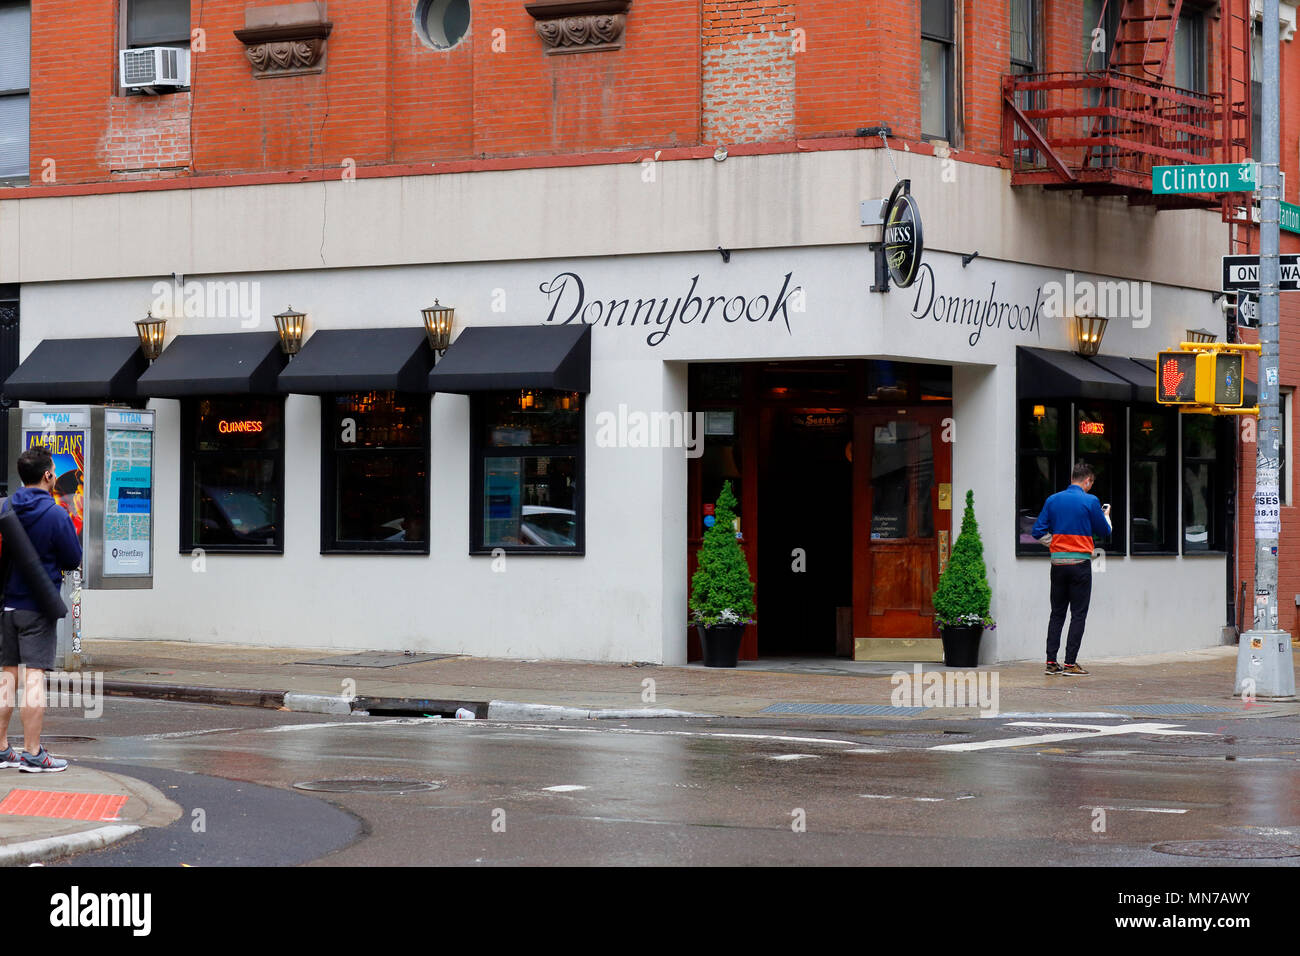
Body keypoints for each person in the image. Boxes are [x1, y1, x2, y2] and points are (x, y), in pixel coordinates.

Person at [0, 448, 84, 772]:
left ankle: (3, 748)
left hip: (6, 604)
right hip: (37, 604)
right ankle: (33, 753)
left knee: (7, 675)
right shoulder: (57, 514)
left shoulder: (6, 507)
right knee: (34, 675)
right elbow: (71, 558)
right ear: (48, 475)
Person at [1031, 459, 1112, 677]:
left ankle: (1050, 662)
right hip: (1080, 565)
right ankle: (1070, 664)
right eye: (1091, 483)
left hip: (1057, 564)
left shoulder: (1053, 500)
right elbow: (1104, 531)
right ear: (1087, 480)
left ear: (1071, 479)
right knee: (1078, 614)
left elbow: (1037, 531)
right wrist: (1106, 516)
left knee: (1057, 613)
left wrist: (1056, 544)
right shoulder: (1090, 500)